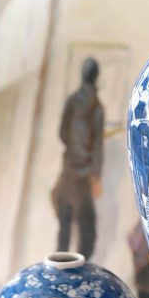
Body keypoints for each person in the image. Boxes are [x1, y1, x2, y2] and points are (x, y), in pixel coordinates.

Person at [52, 57, 104, 259]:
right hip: (83, 177)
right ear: (96, 77)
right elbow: (98, 147)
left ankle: (58, 271)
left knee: (64, 226)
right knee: (87, 233)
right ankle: (79, 273)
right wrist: (96, 176)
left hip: (68, 171)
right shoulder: (97, 108)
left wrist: (74, 148)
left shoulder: (72, 101)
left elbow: (62, 133)